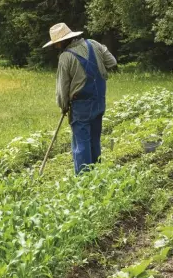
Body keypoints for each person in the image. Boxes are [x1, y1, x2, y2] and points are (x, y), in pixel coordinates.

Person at [43, 23, 117, 174]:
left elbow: (62, 87)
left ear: (63, 41)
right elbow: (112, 62)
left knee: (81, 143)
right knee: (94, 140)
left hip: (81, 105)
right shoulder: (94, 44)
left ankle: (84, 181)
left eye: (57, 43)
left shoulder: (65, 57)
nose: (56, 46)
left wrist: (63, 106)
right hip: (99, 101)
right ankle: (96, 173)